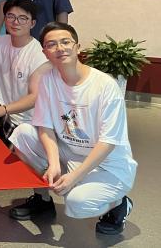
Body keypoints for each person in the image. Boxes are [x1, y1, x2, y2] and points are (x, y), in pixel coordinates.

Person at [8, 22, 137, 236]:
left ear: (77, 47)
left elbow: (108, 142)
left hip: (108, 164)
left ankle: (119, 204)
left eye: (65, 42)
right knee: (22, 134)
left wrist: (74, 176)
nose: (60, 48)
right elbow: (45, 125)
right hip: (70, 151)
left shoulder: (105, 86)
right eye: (52, 44)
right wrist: (53, 163)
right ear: (45, 52)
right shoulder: (48, 80)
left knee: (77, 204)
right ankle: (42, 200)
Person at [0, 0, 51, 141]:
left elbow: (34, 97)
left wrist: (4, 109)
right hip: (2, 112)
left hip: (25, 122)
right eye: (11, 16)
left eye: (23, 18)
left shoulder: (39, 55)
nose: (16, 22)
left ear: (32, 23)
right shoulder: (1, 42)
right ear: (5, 19)